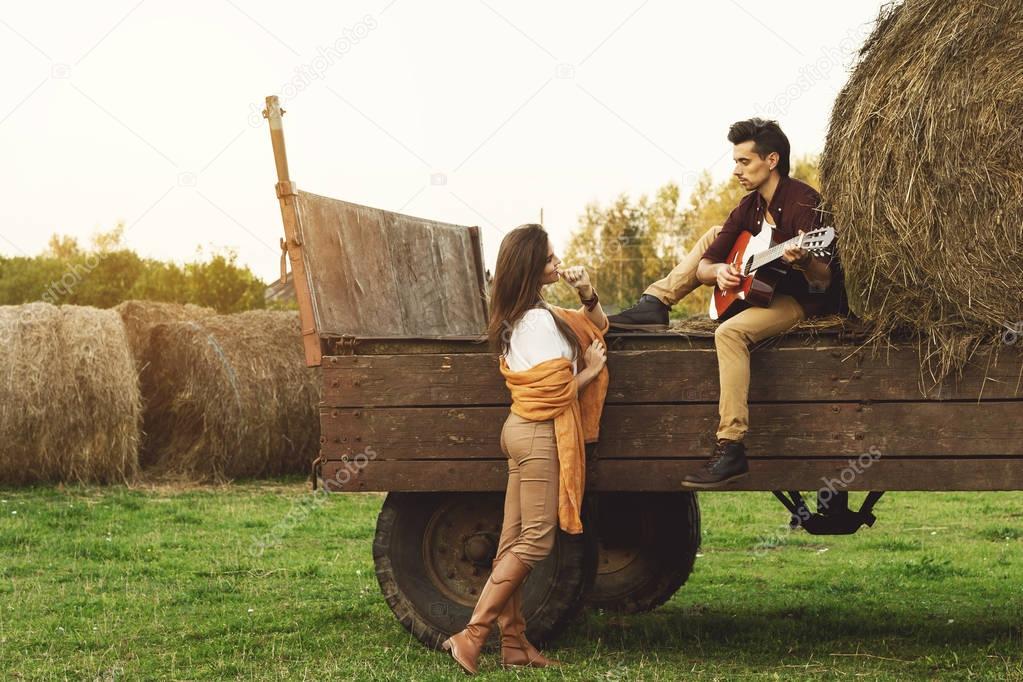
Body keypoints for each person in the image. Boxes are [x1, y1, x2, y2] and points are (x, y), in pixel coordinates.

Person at [608, 118, 845, 488]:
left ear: (771, 160)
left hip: (803, 301)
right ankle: (656, 302)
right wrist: (720, 272)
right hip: (761, 291)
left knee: (730, 334)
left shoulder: (803, 202)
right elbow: (704, 267)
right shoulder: (749, 205)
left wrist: (804, 260)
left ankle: (731, 446)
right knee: (713, 237)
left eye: (744, 162)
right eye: (734, 162)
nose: (736, 170)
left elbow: (825, 278)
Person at [442, 224, 609, 675]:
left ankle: (514, 644)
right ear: (533, 267)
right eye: (551, 259)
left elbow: (594, 327)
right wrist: (591, 371)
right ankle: (471, 635)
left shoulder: (532, 314)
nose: (558, 263)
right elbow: (557, 394)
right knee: (536, 540)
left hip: (520, 430)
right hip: (538, 432)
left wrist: (587, 294)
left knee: (512, 543)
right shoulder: (537, 322)